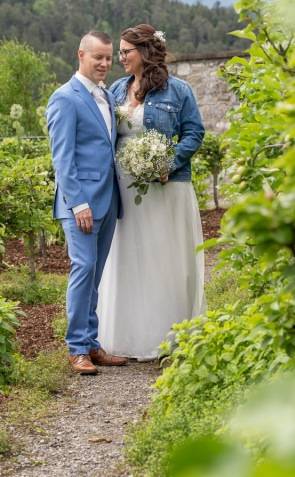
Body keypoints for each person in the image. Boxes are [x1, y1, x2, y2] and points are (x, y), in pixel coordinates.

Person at [97, 24, 207, 361]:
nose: (120, 58)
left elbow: (194, 132)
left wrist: (167, 163)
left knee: (163, 257)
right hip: (125, 187)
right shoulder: (116, 89)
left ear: (144, 52)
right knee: (130, 254)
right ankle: (128, 336)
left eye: (126, 52)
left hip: (163, 186)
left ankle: (167, 337)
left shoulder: (178, 90)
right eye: (119, 52)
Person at [46, 30, 128, 375]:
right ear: (80, 55)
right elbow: (62, 158)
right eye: (98, 57)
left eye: (109, 58)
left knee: (95, 274)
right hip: (80, 205)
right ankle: (76, 348)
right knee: (82, 270)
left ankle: (92, 345)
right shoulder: (65, 98)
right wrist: (77, 203)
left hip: (108, 199)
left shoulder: (106, 96)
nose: (105, 64)